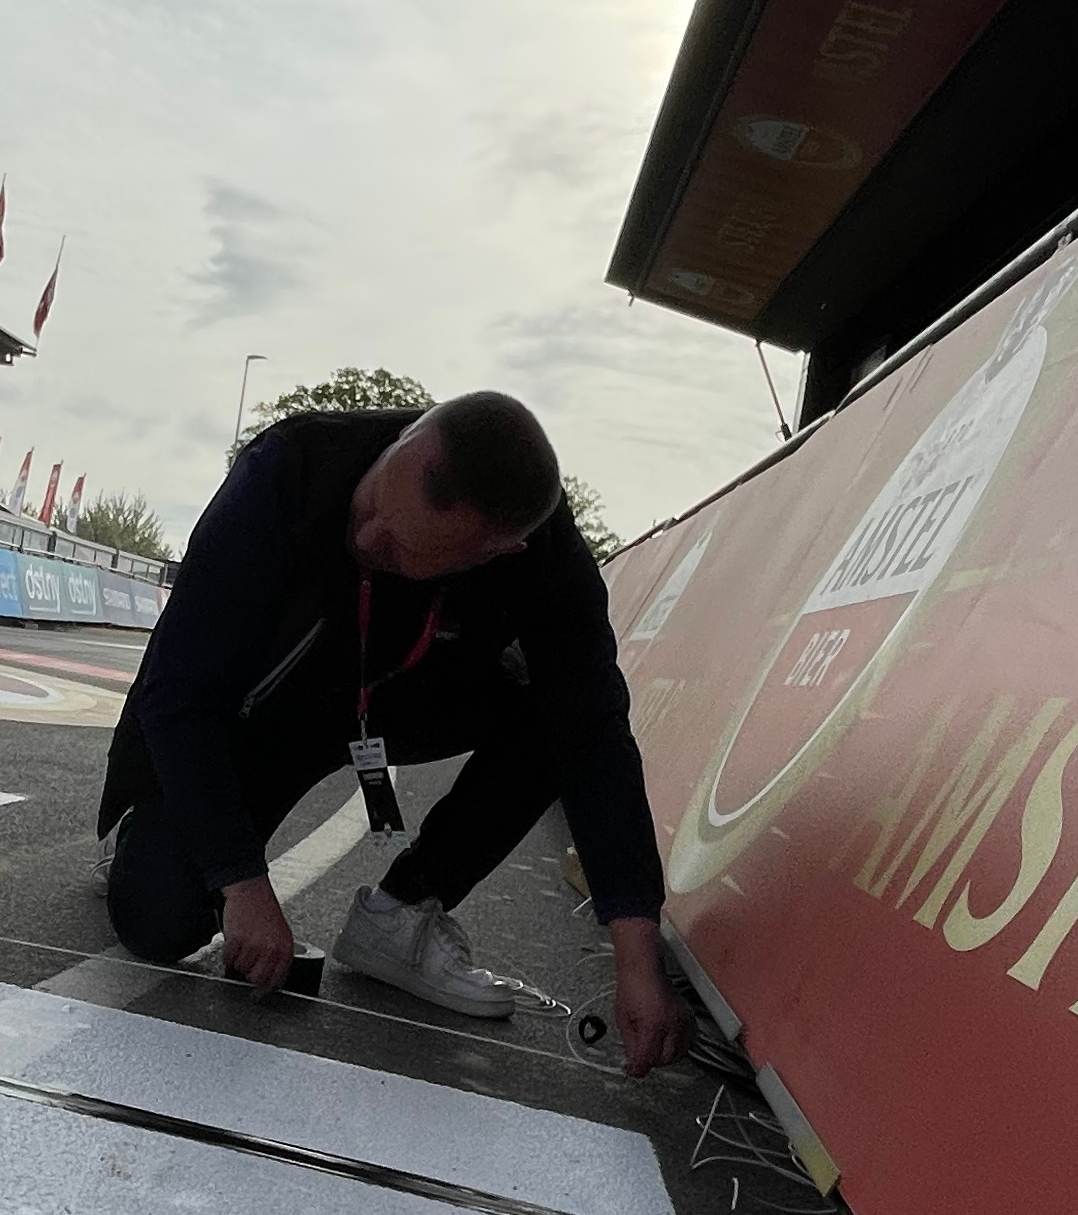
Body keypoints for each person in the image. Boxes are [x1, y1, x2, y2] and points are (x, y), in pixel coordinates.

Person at [96, 390, 687, 1075]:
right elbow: (176, 694)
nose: (367, 538)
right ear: (409, 439)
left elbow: (596, 733)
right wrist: (242, 882)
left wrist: (638, 956)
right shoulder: (288, 470)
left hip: (393, 702)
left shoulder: (545, 561)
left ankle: (404, 914)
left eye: (402, 549)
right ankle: (146, 835)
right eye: (373, 501)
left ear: (494, 551)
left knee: (557, 705)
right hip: (264, 719)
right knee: (159, 919)